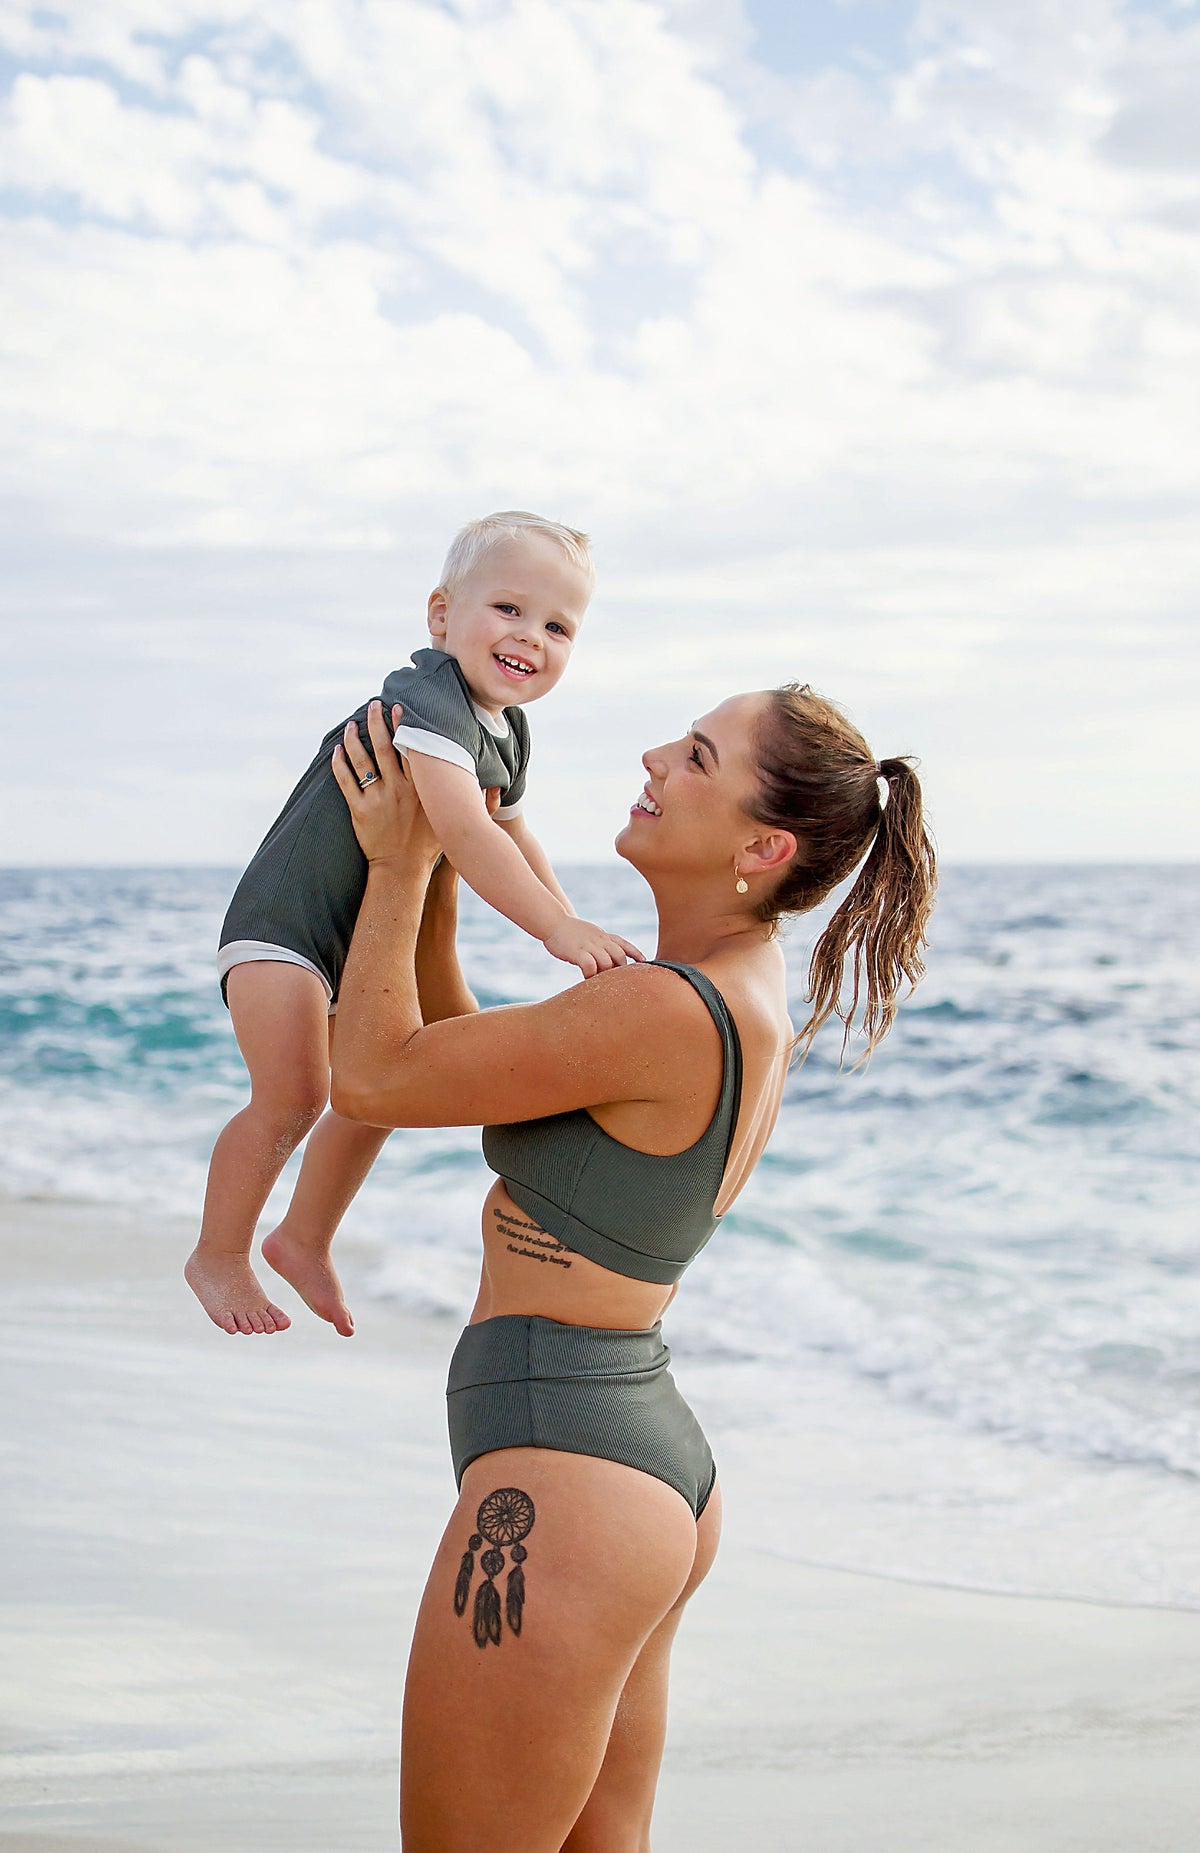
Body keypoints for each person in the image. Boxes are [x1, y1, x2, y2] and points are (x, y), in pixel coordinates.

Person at [327, 682, 937, 1853]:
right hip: (628, 1465)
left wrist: (396, 869)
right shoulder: (723, 990)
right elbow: (456, 1056)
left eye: (698, 754)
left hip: (571, 1486)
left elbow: (376, 1080)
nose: (656, 754)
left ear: (763, 846)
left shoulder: (668, 1005)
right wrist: (455, 855)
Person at [186, 511, 641, 1342]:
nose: (530, 637)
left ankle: (305, 1236)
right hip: (285, 927)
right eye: (508, 608)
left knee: (381, 1079)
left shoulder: (506, 729)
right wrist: (554, 933)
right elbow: (462, 833)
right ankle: (218, 1253)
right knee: (294, 1094)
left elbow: (508, 831)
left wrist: (569, 912)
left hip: (355, 938)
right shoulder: (428, 699)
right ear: (441, 615)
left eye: (557, 625)